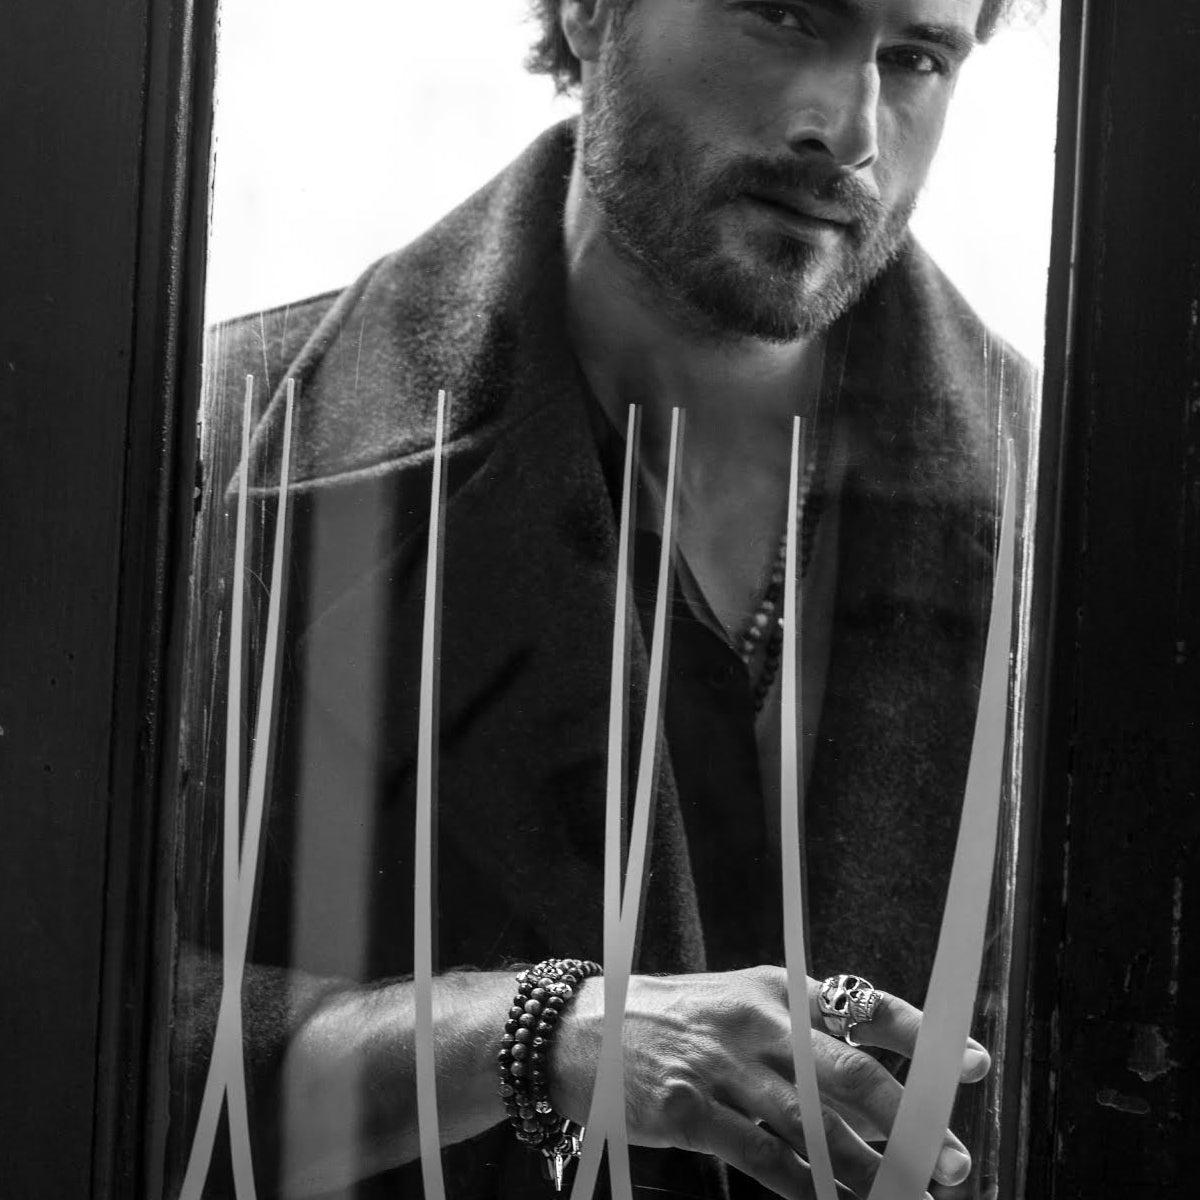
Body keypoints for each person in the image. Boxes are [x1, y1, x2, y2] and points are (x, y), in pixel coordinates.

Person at [172, 2, 1036, 1197]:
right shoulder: (224, 453)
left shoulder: (1095, 523)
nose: (847, 129)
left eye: (915, 56)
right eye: (785, 16)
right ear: (588, 11)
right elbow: (71, 1019)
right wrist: (531, 1035)